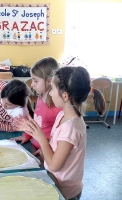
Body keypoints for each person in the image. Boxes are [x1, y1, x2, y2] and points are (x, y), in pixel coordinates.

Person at [18, 66, 106, 199]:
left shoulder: (71, 128)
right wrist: (44, 150)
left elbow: (54, 166)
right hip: (55, 183)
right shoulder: (62, 116)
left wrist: (41, 139)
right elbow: (57, 147)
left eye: (52, 89)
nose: (51, 93)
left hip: (64, 192)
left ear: (65, 96)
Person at [11, 57, 62, 152]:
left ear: (49, 80)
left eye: (35, 81)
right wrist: (27, 136)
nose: (32, 85)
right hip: (35, 148)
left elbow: (60, 136)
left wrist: (47, 149)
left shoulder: (58, 106)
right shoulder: (40, 98)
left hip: (48, 153)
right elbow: (38, 123)